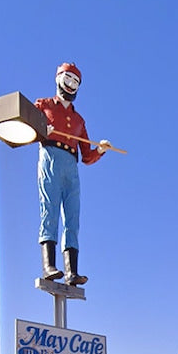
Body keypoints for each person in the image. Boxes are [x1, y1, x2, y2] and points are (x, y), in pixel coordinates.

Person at [35, 62, 111, 286]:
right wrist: (40, 130)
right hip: (50, 158)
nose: (71, 85)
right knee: (49, 210)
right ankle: (49, 265)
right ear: (58, 78)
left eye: (75, 82)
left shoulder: (79, 121)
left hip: (72, 164)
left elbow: (86, 156)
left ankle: (72, 271)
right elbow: (27, 127)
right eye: (68, 79)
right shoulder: (44, 105)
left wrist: (100, 150)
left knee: (72, 217)